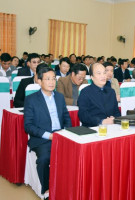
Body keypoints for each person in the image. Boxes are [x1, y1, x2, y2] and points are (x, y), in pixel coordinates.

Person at [24, 66, 71, 197]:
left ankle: (68, 185)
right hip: (42, 138)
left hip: (61, 135)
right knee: (44, 159)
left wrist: (65, 132)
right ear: (39, 81)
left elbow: (67, 118)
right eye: (47, 79)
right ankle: (46, 190)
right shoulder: (31, 99)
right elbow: (28, 126)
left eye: (54, 79)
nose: (51, 82)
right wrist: (49, 136)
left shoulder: (60, 97)